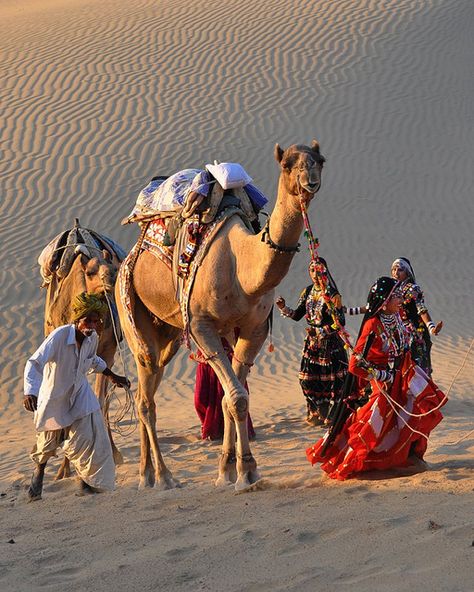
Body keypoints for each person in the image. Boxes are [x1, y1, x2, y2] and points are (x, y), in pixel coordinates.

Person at [306, 277, 447, 480]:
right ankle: (359, 460)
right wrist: (383, 375)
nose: (400, 299)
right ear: (384, 301)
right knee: (375, 424)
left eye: (400, 295)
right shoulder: (372, 325)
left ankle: (411, 455)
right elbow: (356, 364)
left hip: (404, 376)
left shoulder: (397, 316)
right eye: (396, 296)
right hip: (384, 384)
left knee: (419, 410)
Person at [23, 292, 130, 501]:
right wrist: (30, 391)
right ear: (78, 320)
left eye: (95, 320)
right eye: (87, 320)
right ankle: (39, 473)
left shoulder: (93, 338)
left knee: (90, 435)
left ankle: (86, 482)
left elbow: (93, 361)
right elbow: (34, 362)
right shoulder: (60, 336)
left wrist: (113, 376)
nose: (91, 324)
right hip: (54, 394)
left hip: (80, 392)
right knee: (47, 442)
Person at [276, 258, 348, 426]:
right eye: (312, 271)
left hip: (330, 346)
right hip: (312, 344)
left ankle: (332, 416)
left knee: (331, 382)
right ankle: (316, 412)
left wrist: (320, 331)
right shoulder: (308, 292)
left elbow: (340, 323)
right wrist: (283, 308)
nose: (315, 275)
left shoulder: (332, 295)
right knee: (308, 379)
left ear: (325, 271)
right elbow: (297, 315)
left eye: (319, 270)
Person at [194, 337, 255, 441]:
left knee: (229, 397)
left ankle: (227, 431)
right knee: (200, 400)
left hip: (228, 357)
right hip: (205, 353)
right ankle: (208, 426)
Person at [391, 257, 442, 375]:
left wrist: (431, 328)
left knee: (415, 366)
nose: (396, 273)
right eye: (394, 269)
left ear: (407, 272)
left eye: (400, 270)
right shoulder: (391, 289)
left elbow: (421, 309)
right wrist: (350, 310)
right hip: (395, 331)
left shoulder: (413, 289)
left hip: (412, 332)